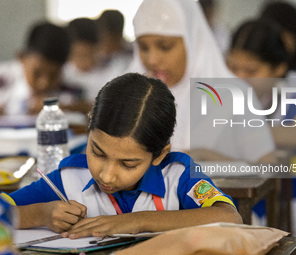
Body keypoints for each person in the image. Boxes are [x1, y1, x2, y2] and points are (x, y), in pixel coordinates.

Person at [2, 73, 242, 238]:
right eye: (97, 151)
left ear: (159, 155)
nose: (106, 174)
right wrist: (41, 214)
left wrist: (135, 221)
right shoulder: (68, 179)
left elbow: (229, 217)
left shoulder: (178, 175)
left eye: (128, 164)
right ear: (89, 129)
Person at [226, 18, 296, 255]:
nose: (240, 78)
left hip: (294, 200)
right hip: (242, 198)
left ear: (279, 68)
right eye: (233, 68)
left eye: (251, 71)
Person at [128, 0, 277, 165]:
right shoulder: (131, 95)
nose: (152, 60)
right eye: (143, 48)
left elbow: (268, 168)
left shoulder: (234, 96)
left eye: (165, 47)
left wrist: (208, 158)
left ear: (193, 42)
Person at [0, 21, 83, 116]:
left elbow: (91, 107)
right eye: (37, 73)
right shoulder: (3, 78)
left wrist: (60, 106)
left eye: (53, 75)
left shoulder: (72, 85)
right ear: (21, 58)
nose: (44, 83)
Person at [62, 17, 108, 104]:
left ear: (100, 47)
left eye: (92, 55)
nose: (87, 62)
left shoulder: (112, 71)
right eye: (79, 56)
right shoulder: (61, 75)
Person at [96, 10, 133, 77]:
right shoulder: (96, 60)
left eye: (113, 40)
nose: (109, 44)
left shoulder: (133, 55)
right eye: (106, 40)